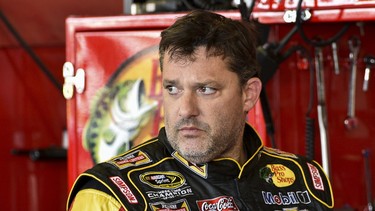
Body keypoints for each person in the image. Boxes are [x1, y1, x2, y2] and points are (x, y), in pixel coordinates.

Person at [67, 10, 334, 211]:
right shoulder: (111, 195)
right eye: (173, 89)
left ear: (248, 94)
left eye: (206, 89)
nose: (185, 109)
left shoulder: (305, 181)